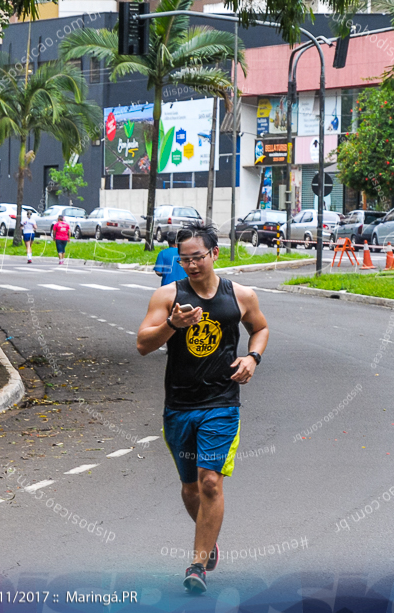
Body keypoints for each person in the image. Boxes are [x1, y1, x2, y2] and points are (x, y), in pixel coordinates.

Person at [136, 225, 269, 594]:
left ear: (214, 254)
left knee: (211, 480)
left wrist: (253, 358)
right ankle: (208, 541)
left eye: (197, 257)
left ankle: (197, 564)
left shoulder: (240, 295)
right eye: (184, 259)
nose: (191, 264)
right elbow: (142, 344)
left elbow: (260, 328)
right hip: (179, 405)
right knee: (190, 488)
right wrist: (172, 325)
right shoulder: (168, 296)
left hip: (221, 404)